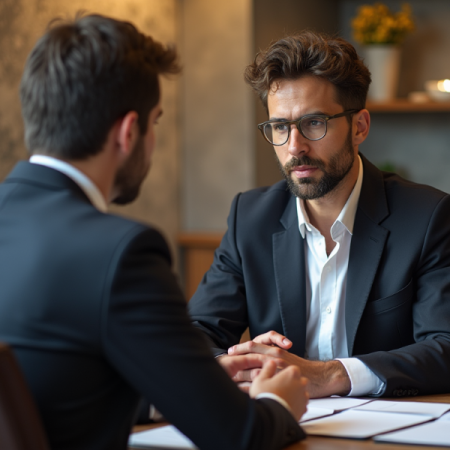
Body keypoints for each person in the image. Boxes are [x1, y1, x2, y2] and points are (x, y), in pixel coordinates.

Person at [0, 14, 308, 450]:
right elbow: (241, 437)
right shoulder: (120, 253)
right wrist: (278, 402)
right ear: (129, 132)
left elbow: (53, 386)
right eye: (156, 121)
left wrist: (185, 386)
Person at [188, 30, 450, 399]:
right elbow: (196, 332)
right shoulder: (250, 217)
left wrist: (329, 375)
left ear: (359, 127)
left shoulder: (428, 217)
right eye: (280, 126)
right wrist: (236, 363)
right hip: (283, 425)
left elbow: (445, 347)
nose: (295, 147)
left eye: (314, 123)